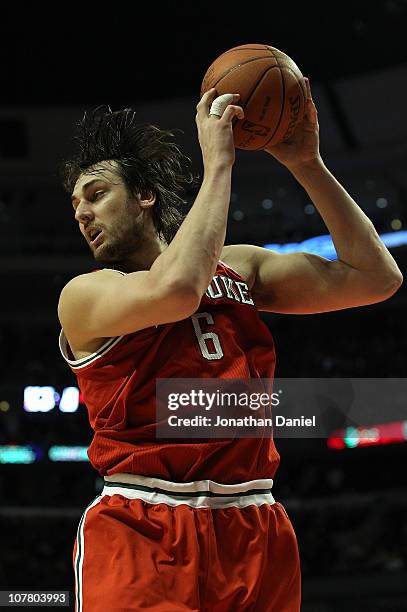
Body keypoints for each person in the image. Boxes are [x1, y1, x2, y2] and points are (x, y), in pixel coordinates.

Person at [58, 79, 402, 611]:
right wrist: (219, 165)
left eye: (97, 194)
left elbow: (376, 278)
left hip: (255, 520)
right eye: (76, 204)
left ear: (144, 196)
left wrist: (307, 163)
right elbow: (176, 290)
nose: (81, 213)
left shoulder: (239, 267)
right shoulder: (84, 296)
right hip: (144, 521)